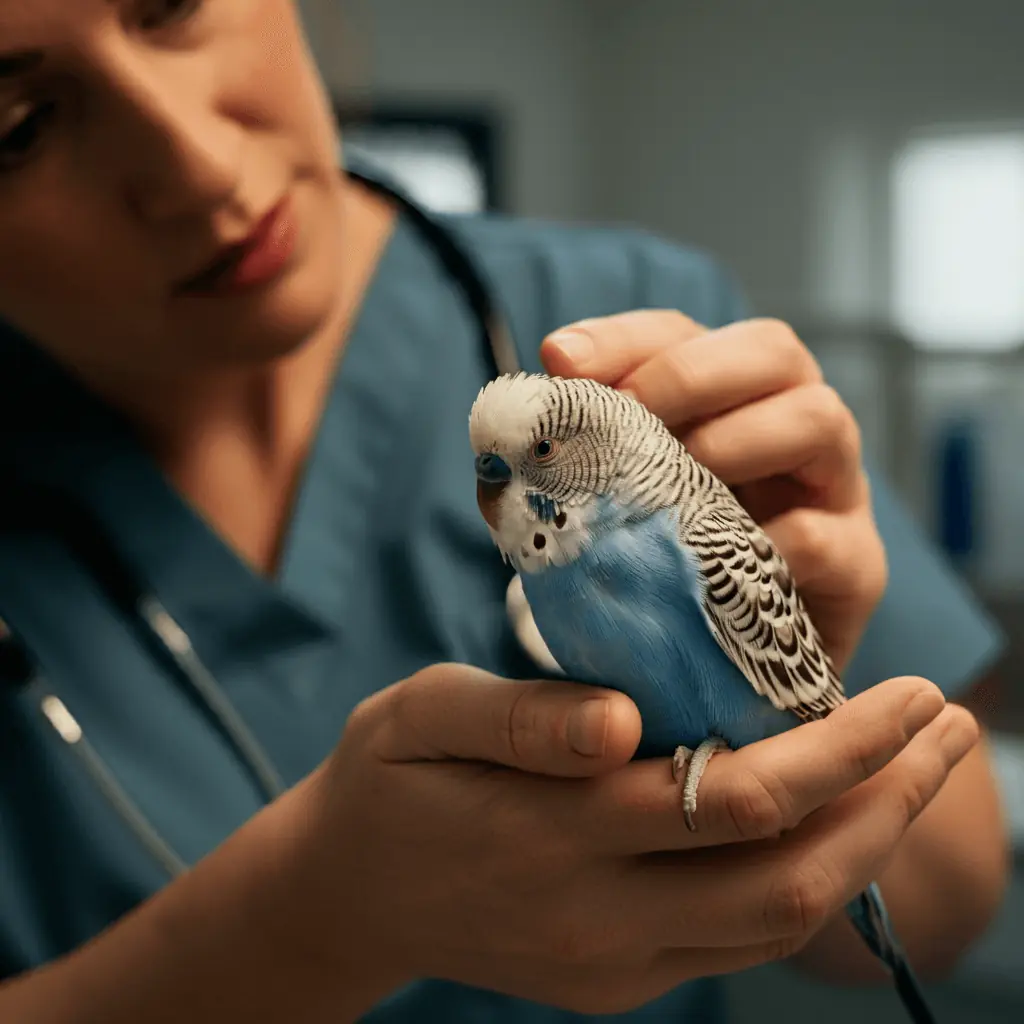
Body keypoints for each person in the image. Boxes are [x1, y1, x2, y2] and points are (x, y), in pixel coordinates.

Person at [0, 2, 1008, 1022]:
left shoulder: (641, 312)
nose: (201, 166)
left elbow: (948, 895)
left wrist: (804, 713)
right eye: (18, 129)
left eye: (171, 5)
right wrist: (303, 925)